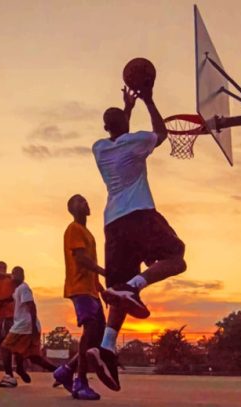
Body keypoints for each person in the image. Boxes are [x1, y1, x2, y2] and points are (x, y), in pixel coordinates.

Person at [86, 84, 186, 391]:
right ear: (126, 125)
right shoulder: (137, 141)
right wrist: (149, 97)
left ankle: (105, 346)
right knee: (176, 257)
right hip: (139, 214)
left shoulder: (100, 148)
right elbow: (162, 133)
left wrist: (126, 110)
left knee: (117, 294)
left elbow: (119, 130)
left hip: (112, 224)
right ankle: (134, 286)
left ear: (106, 128)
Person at [53, 194, 106, 400]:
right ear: (72, 209)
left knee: (98, 335)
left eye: (85, 200)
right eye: (79, 201)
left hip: (91, 289)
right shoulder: (74, 229)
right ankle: (80, 382)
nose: (85, 202)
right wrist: (104, 272)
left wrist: (100, 287)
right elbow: (81, 259)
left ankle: (66, 371)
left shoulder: (88, 233)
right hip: (80, 288)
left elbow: (88, 261)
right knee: (90, 332)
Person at [0, 266, 56, 387]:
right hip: (27, 325)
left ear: (23, 276)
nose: (16, 276)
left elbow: (31, 306)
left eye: (19, 274)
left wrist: (33, 325)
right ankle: (60, 372)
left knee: (5, 348)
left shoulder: (24, 288)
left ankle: (9, 377)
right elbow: (11, 281)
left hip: (24, 325)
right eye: (15, 274)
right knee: (33, 356)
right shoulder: (18, 289)